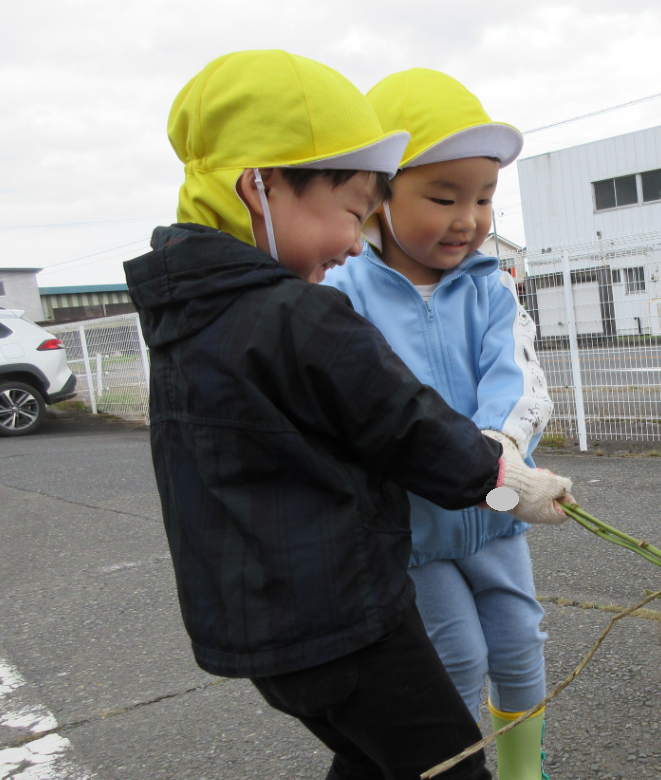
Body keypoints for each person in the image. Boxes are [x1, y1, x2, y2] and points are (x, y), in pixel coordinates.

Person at [123, 50, 573, 780]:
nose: (348, 241)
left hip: (261, 628)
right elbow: (403, 424)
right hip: (343, 616)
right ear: (259, 188)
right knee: (448, 763)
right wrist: (505, 480)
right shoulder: (301, 314)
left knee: (373, 758)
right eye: (350, 211)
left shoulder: (186, 316)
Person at [323, 68, 552, 780]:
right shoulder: (342, 290)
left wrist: (501, 454)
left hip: (496, 509)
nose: (469, 218)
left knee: (519, 641)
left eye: (483, 198)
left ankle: (521, 771)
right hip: (410, 532)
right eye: (443, 196)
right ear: (378, 197)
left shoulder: (489, 285)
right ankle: (454, 772)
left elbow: (516, 380)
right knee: (454, 658)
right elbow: (350, 405)